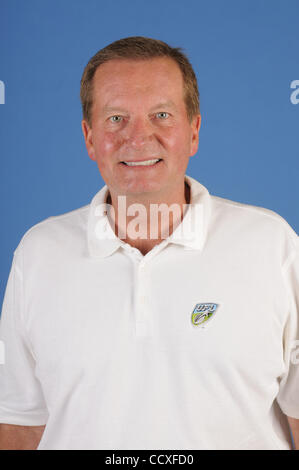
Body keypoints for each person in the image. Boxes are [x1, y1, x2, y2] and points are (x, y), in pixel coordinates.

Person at [0, 36, 298, 450]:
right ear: (89, 137)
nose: (138, 137)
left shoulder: (273, 247)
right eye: (116, 118)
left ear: (193, 131)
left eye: (161, 115)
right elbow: (17, 426)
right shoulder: (38, 255)